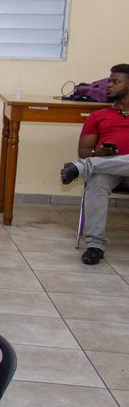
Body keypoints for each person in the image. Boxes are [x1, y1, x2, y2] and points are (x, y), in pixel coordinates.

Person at [60, 63, 129, 265]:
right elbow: (83, 152)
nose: (108, 86)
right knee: (96, 184)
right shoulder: (98, 116)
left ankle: (84, 168)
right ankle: (95, 246)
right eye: (109, 81)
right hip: (108, 170)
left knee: (90, 168)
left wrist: (90, 161)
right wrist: (96, 153)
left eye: (115, 82)